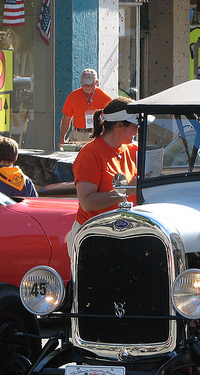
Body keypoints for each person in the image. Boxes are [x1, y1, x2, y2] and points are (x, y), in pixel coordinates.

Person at [67, 97, 139, 254]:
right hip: (93, 236)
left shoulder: (133, 150)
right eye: (135, 126)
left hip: (124, 235)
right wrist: (128, 190)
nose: (138, 131)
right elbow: (87, 202)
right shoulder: (90, 153)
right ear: (119, 126)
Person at [59, 68, 113, 150]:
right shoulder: (73, 96)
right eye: (84, 84)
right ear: (81, 82)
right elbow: (67, 117)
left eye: (90, 84)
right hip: (77, 134)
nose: (87, 87)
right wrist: (62, 138)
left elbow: (111, 119)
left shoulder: (105, 97)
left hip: (95, 134)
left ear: (96, 82)